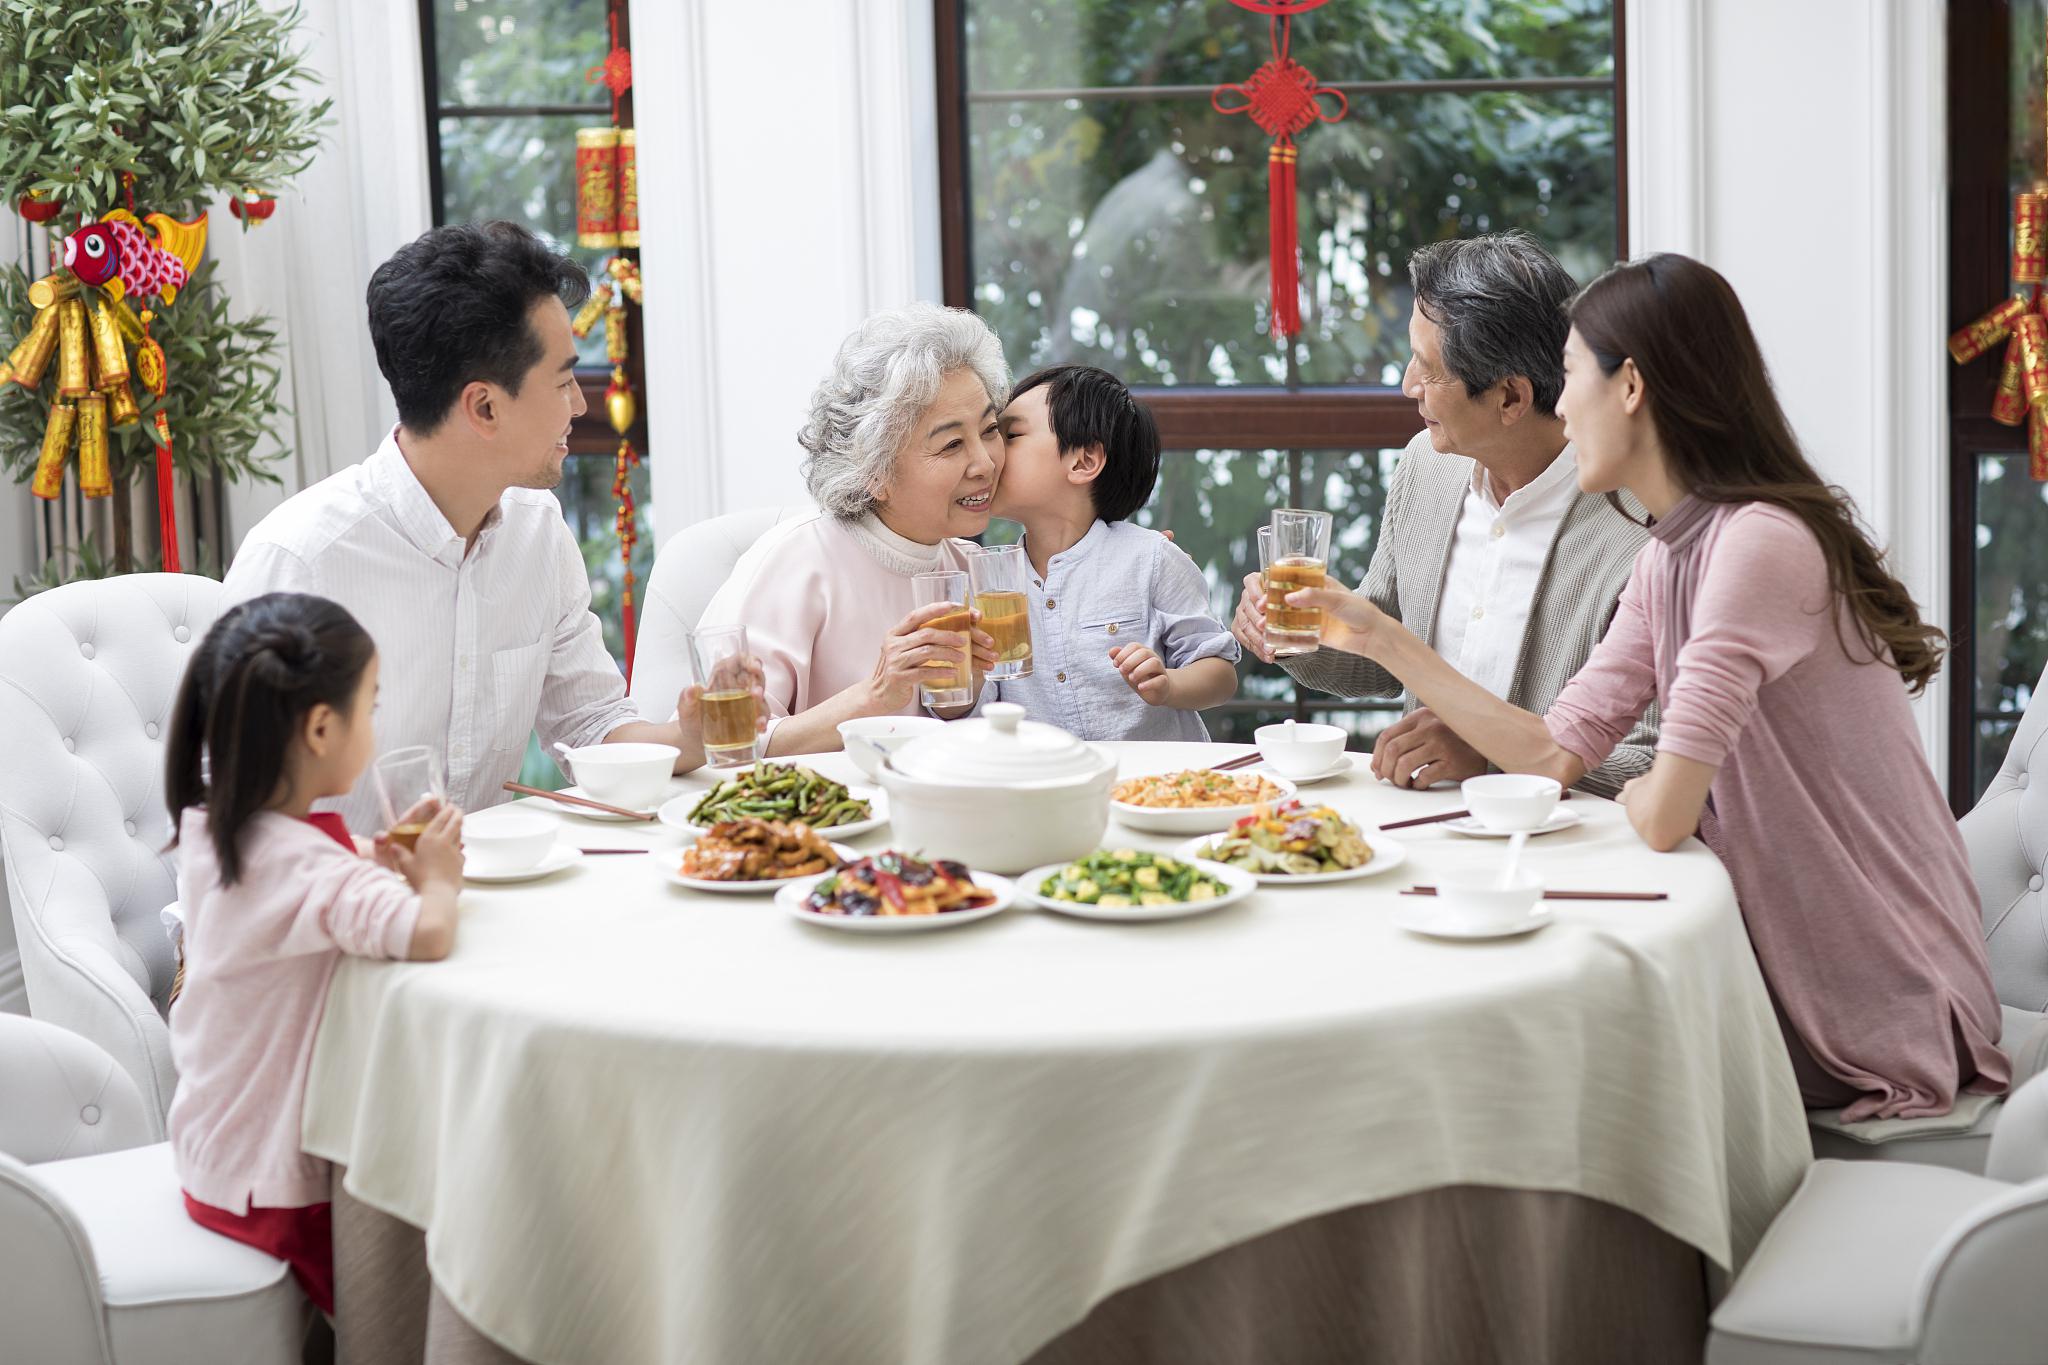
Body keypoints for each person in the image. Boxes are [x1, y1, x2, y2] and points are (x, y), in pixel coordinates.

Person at [1288, 253, 2008, 1120]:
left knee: (1533, 1067)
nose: (1558, 407)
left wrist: (1648, 790)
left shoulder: (1756, 546)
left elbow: (1664, 812)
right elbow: (1555, 747)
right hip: (1770, 949)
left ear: (1628, 386)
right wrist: (1382, 639)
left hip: (1871, 993)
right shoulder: (1673, 551)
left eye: (1567, 376)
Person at [221, 221, 727, 834]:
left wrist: (691, 736)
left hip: (475, 897)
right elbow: (231, 826)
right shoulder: (299, 565)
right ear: (483, 407)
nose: (580, 406)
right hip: (327, 914)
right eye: (565, 381)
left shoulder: (537, 535)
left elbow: (591, 726)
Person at [1231, 232, 1657, 796]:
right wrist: (1299, 629)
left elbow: (1650, 766)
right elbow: (1385, 654)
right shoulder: (1426, 469)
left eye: (1428, 370)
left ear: (1510, 398)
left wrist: (1492, 759)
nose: (1408, 385)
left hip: (1558, 852)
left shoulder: (1638, 528)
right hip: (1419, 823)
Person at [164, 592, 465, 1316]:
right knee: (442, 1242)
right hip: (275, 1191)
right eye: (373, 704)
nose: (376, 723)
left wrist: (385, 852)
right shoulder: (301, 870)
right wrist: (440, 881)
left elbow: (318, 867)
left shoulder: (218, 832)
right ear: (324, 727)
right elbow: (427, 934)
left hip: (214, 1150)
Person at [694, 303, 1004, 755]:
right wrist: (874, 696)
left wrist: (960, 696)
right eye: (952, 443)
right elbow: (724, 742)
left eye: (991, 429)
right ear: (874, 472)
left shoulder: (976, 569)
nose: (986, 462)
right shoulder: (796, 563)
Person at [988, 363, 1238, 739]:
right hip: (1053, 788)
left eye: (1011, 435)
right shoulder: (989, 578)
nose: (991, 452)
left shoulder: (1151, 558)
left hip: (1155, 787)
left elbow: (1220, 673)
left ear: (1083, 461)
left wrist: (1169, 684)